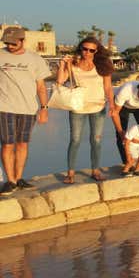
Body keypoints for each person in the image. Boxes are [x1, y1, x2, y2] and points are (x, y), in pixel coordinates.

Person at [56, 36, 115, 184]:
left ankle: (95, 170)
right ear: (80, 48)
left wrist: (112, 105)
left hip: (98, 106)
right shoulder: (73, 64)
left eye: (91, 50)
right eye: (85, 49)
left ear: (96, 51)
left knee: (96, 140)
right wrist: (62, 65)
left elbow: (108, 87)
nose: (87, 52)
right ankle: (70, 173)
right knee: (75, 140)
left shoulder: (102, 65)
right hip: (77, 107)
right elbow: (60, 81)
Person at [0, 27, 50, 195]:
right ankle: (10, 181)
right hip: (5, 107)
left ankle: (19, 178)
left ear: (22, 41)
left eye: (13, 43)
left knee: (22, 143)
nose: (10, 46)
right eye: (7, 43)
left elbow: (41, 86)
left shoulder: (35, 59)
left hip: (29, 109)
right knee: (7, 144)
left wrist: (44, 108)